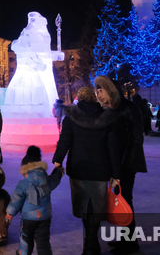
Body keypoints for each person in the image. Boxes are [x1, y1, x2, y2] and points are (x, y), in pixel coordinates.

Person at [53, 85, 121, 255]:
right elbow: (113, 147)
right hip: (100, 169)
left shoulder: (70, 117)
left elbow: (64, 141)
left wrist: (57, 160)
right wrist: (116, 174)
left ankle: (89, 244)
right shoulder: (107, 117)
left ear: (80, 99)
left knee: (84, 206)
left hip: (79, 168)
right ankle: (92, 242)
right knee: (96, 207)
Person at [94, 77, 147, 254]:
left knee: (125, 201)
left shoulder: (129, 108)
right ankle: (125, 239)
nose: (99, 95)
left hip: (126, 164)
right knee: (119, 200)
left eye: (101, 91)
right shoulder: (112, 109)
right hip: (116, 164)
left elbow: (136, 139)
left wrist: (125, 166)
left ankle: (131, 243)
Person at [6, 146, 65, 255]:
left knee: (26, 239)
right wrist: (58, 171)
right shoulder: (46, 180)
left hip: (28, 218)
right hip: (45, 217)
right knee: (43, 240)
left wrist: (9, 213)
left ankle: (23, 253)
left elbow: (16, 200)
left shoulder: (23, 184)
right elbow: (55, 179)